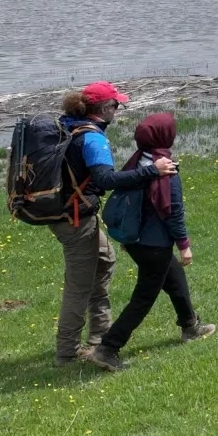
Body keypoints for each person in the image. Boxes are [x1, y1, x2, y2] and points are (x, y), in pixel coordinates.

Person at [54, 82, 176, 367]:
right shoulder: (93, 139)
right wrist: (152, 171)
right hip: (75, 220)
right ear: (104, 109)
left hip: (71, 213)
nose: (118, 110)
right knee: (79, 285)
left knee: (105, 261)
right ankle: (67, 353)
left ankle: (99, 337)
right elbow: (107, 180)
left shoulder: (69, 125)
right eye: (116, 105)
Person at [88, 113, 214, 371]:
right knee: (144, 298)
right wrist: (184, 245)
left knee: (175, 278)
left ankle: (190, 325)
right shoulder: (166, 169)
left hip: (135, 241)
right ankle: (108, 348)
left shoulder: (137, 162)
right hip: (154, 246)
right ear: (167, 137)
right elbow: (173, 211)